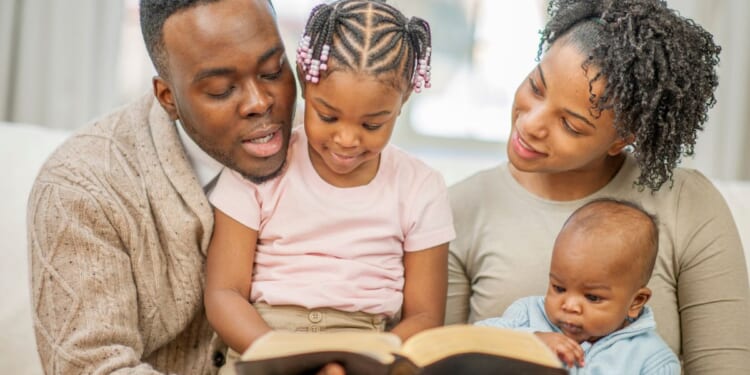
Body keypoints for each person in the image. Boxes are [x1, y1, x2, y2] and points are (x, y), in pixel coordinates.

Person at [446, 0, 750, 373]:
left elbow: (725, 365)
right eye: (536, 87)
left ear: (622, 139)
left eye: (571, 125)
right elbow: (441, 356)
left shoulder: (688, 204)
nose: (531, 125)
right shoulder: (460, 207)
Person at [26, 0, 298, 373]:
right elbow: (92, 367)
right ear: (168, 98)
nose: (260, 102)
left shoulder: (332, 143)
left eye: (273, 70)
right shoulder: (81, 187)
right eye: (220, 89)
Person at [203, 0, 453, 372]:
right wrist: (281, 355)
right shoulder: (260, 165)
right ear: (305, 80)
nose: (347, 139)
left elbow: (425, 316)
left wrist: (358, 360)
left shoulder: (421, 187)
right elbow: (225, 293)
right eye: (328, 116)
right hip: (264, 340)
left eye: (372, 125)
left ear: (402, 102)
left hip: (368, 349)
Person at [476, 198, 680, 374]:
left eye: (592, 297)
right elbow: (473, 340)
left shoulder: (653, 359)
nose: (570, 306)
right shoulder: (527, 314)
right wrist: (532, 341)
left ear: (636, 302)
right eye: (559, 288)